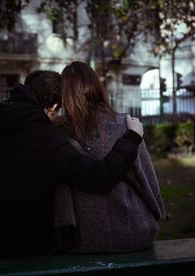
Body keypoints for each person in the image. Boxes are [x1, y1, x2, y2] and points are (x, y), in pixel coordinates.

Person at [0, 70, 144, 257]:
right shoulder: (44, 134)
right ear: (53, 107)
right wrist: (132, 138)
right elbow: (98, 178)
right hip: (25, 245)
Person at [55, 61, 166, 253]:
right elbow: (145, 177)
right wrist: (158, 212)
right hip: (134, 232)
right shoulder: (126, 125)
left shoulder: (57, 133)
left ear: (64, 94)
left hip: (84, 239)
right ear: (96, 87)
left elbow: (60, 190)